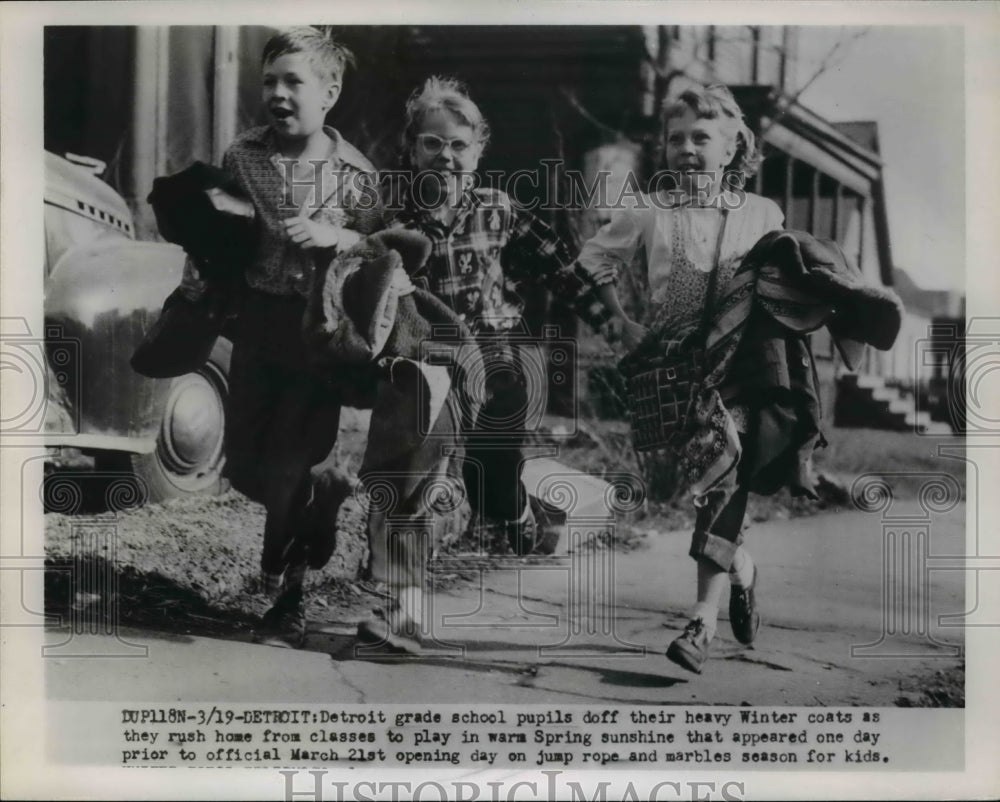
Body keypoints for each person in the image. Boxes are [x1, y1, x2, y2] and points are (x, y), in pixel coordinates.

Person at [367, 76, 613, 649]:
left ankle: (523, 517)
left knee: (491, 484)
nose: (445, 156)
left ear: (478, 151)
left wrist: (611, 325)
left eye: (458, 145)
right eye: (432, 143)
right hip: (428, 361)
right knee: (414, 475)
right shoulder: (393, 219)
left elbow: (560, 269)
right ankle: (406, 612)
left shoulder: (498, 210)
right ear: (412, 149)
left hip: (501, 361)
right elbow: (362, 281)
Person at [180, 26, 382, 647]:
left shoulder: (355, 175)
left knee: (293, 458)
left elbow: (381, 251)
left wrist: (339, 238)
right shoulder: (245, 156)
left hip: (317, 332)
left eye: (294, 81)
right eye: (269, 81)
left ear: (330, 92)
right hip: (259, 325)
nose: (278, 93)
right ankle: (324, 495)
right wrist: (195, 290)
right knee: (242, 464)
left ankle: (289, 601)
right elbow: (217, 233)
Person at [576, 84, 785, 673]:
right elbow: (592, 261)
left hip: (739, 371)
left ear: (733, 147)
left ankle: (701, 622)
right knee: (690, 490)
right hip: (673, 372)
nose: (687, 149)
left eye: (701, 138)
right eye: (676, 138)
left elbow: (787, 287)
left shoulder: (763, 215)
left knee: (722, 485)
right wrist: (621, 323)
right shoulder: (649, 211)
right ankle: (740, 569)